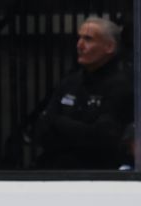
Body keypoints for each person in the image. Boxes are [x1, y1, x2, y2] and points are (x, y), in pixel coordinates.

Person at [33, 16, 132, 169]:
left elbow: (103, 138)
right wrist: (81, 130)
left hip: (99, 175)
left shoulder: (121, 85)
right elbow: (41, 131)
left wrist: (59, 122)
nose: (79, 45)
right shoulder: (70, 82)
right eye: (79, 38)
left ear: (109, 47)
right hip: (55, 170)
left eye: (88, 39)